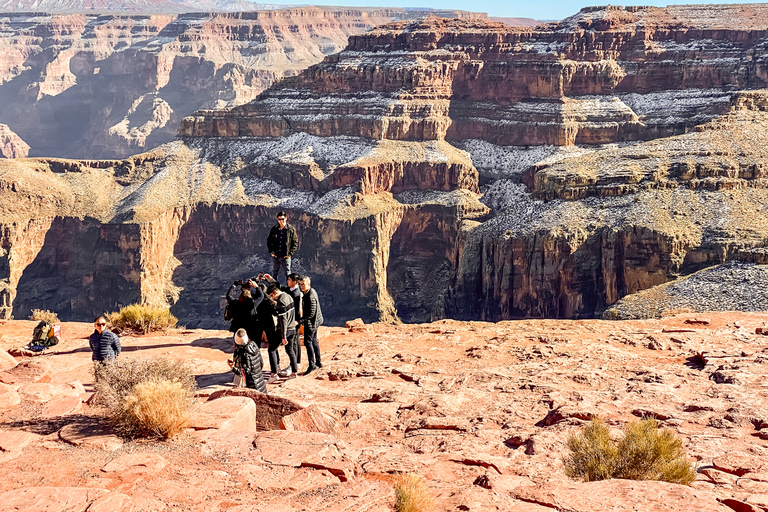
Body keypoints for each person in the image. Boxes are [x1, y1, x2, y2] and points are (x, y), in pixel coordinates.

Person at [266, 283, 298, 379]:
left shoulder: (281, 302)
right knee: (290, 350)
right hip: (292, 328)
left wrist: (283, 336)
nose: (273, 298)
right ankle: (294, 373)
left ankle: (274, 374)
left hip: (285, 330)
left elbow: (283, 320)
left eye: (272, 295)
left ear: (275, 292)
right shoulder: (289, 296)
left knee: (271, 349)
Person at [228, 328, 267, 393]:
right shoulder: (253, 345)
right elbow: (261, 363)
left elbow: (244, 373)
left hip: (253, 385)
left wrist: (232, 367)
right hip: (260, 381)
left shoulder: (244, 354)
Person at [299, 276, 323, 375]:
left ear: (308, 284)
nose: (301, 286)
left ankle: (312, 365)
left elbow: (311, 313)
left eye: (303, 284)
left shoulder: (310, 295)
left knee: (308, 342)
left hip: (312, 323)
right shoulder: (310, 292)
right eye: (300, 284)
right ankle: (318, 362)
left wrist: (301, 321)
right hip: (316, 321)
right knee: (314, 341)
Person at [266, 211, 298, 284]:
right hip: (276, 255)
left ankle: (289, 288)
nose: (281, 221)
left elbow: (295, 242)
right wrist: (272, 252)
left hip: (285, 256)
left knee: (287, 273)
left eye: (283, 219)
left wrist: (290, 253)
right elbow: (269, 241)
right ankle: (273, 287)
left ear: (286, 218)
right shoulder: (274, 229)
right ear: (277, 219)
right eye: (279, 219)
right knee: (274, 272)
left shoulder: (291, 230)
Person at [283, 273, 303, 367]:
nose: (287, 281)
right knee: (296, 341)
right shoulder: (290, 290)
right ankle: (297, 362)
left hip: (294, 320)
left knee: (293, 343)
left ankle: (294, 364)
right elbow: (279, 288)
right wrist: (270, 280)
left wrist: (298, 321)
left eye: (289, 280)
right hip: (292, 320)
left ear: (294, 282)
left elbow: (299, 309)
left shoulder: (296, 294)